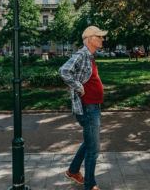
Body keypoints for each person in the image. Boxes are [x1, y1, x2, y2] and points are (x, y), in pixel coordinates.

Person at [58, 26, 107, 190]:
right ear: (91, 38)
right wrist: (79, 87)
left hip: (93, 106)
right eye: (99, 36)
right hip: (88, 108)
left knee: (89, 142)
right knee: (94, 149)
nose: (102, 39)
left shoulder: (90, 56)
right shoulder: (82, 54)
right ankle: (90, 185)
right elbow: (64, 71)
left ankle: (73, 171)